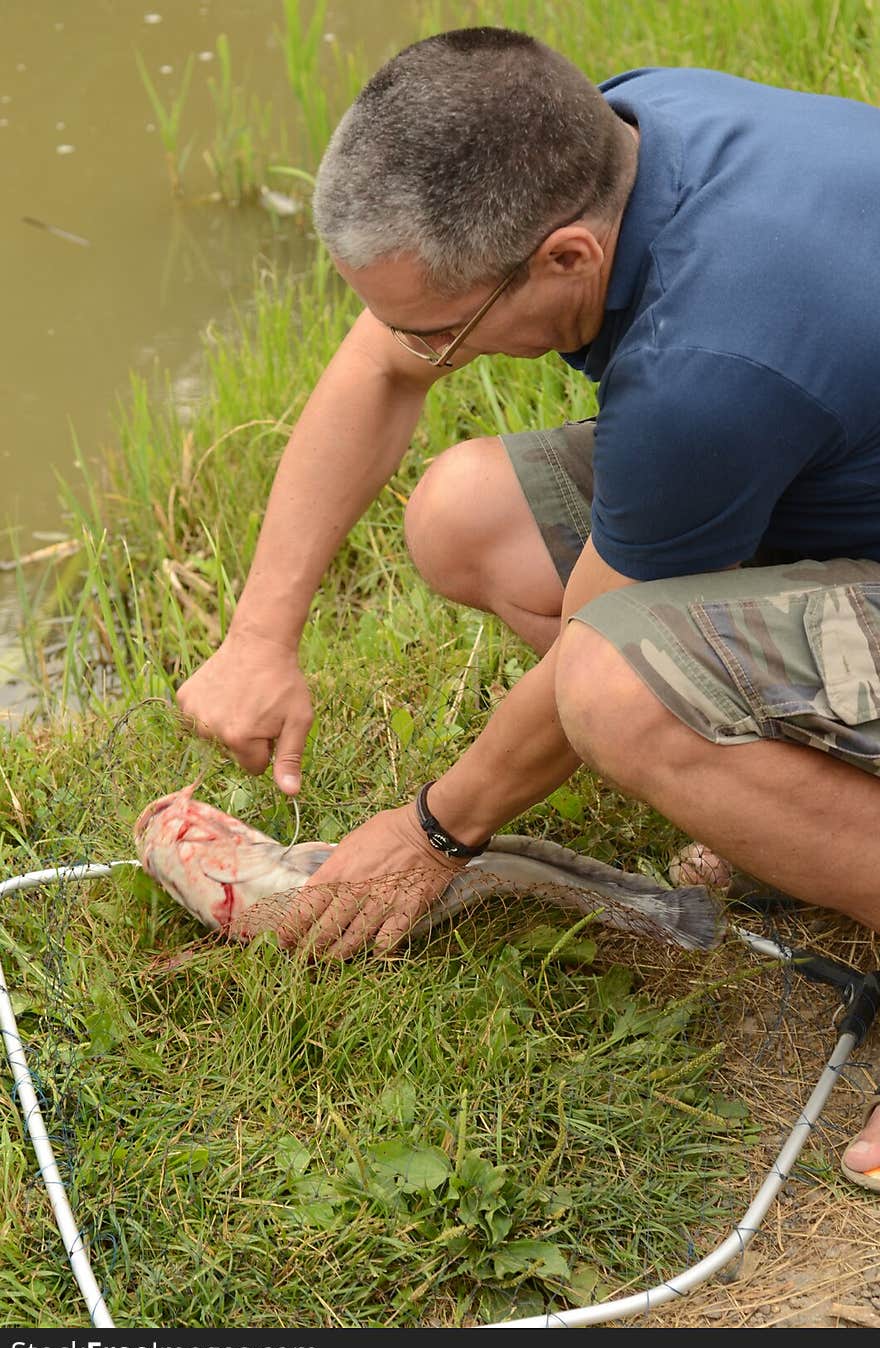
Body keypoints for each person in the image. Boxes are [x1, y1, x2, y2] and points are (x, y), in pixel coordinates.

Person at [175, 29, 880, 1191]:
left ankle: (798, 804)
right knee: (467, 514)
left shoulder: (706, 365)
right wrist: (259, 636)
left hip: (763, 413)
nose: (420, 354)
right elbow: (379, 364)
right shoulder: (617, 133)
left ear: (563, 257)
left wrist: (431, 835)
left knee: (616, 687)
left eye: (442, 330)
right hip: (830, 458)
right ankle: (805, 805)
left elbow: (592, 657)